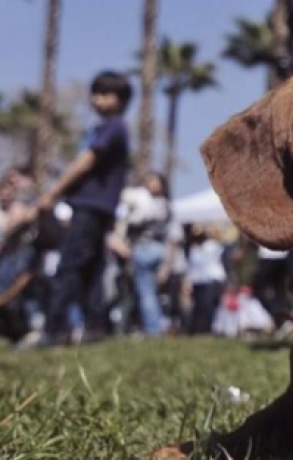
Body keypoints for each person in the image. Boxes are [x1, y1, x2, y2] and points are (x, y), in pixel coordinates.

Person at [37, 70, 133, 346]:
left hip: (91, 206)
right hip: (100, 207)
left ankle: (54, 329)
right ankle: (94, 327)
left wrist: (54, 192)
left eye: (104, 93)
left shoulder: (113, 127)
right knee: (92, 269)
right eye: (95, 93)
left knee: (71, 266)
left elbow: (86, 161)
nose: (96, 99)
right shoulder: (105, 128)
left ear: (121, 99)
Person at [123, 172, 171, 337]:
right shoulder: (166, 205)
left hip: (145, 248)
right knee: (152, 292)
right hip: (158, 249)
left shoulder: (150, 204)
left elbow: (135, 221)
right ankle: (155, 325)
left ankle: (153, 329)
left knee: (146, 292)